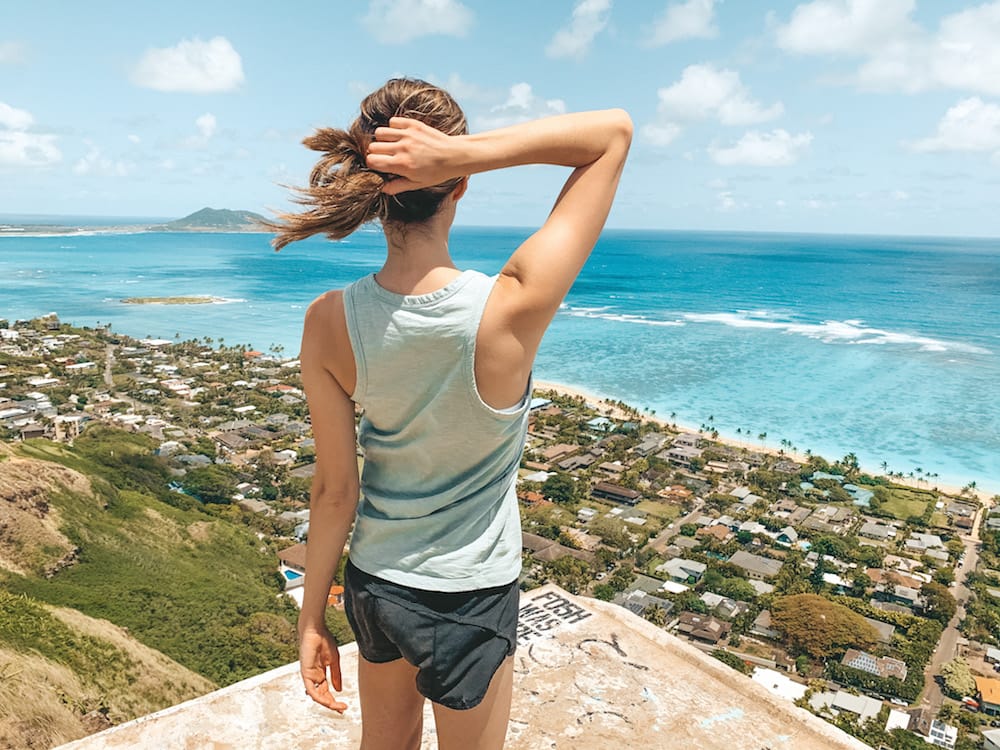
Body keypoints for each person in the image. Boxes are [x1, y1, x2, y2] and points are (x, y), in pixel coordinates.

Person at [271, 78, 631, 750]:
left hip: (376, 583)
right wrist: (463, 154)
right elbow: (612, 134)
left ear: (375, 191)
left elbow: (333, 492)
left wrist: (311, 617)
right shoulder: (509, 307)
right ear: (458, 183)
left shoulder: (327, 321)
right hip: (470, 595)